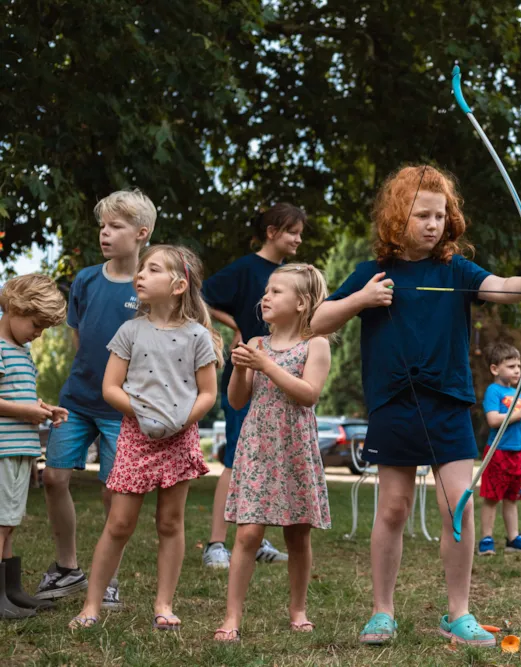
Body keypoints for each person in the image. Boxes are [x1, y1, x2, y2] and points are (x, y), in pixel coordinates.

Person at [310, 164, 521, 647]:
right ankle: (382, 612)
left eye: (440, 215)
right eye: (422, 214)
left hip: (447, 403)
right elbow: (317, 320)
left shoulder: (457, 270)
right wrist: (362, 298)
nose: (432, 224)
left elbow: (500, 287)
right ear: (397, 217)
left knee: (459, 507)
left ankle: (458, 614)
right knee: (394, 509)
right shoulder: (372, 274)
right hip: (394, 404)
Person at [68, 246, 221, 629]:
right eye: (141, 269)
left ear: (178, 284)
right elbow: (111, 387)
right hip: (137, 437)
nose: (140, 275)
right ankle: (91, 605)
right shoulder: (130, 331)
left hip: (180, 438)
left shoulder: (198, 336)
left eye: (152, 269)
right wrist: (145, 414)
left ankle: (164, 605)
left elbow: (207, 393)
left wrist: (181, 421)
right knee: (119, 523)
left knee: (171, 522)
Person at [38, 189, 154, 608]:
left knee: (113, 493)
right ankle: (68, 569)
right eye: (103, 226)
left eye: (116, 227)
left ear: (141, 234)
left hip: (121, 410)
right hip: (76, 400)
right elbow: (79, 335)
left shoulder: (149, 287)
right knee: (53, 478)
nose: (105, 234)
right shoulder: (85, 279)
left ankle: (108, 579)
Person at [214, 265, 332, 641]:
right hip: (258, 448)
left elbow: (308, 393)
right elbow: (236, 402)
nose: (266, 296)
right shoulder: (256, 343)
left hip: (295, 446)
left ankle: (298, 609)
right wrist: (239, 369)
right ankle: (232, 617)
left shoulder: (317, 344)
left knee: (297, 535)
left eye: (277, 291)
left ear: (301, 303)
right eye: (266, 290)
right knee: (247, 534)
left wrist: (265, 365)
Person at [201, 204, 306, 569]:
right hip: (247, 372)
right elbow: (202, 296)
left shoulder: (288, 276)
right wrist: (236, 327)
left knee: (267, 460)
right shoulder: (246, 268)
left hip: (278, 376)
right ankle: (215, 544)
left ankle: (255, 540)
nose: (298, 239)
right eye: (293, 231)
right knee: (235, 457)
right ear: (272, 231)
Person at [0, 275, 69, 619]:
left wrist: (41, 409)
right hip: (2, 450)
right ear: (14, 308)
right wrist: (24, 410)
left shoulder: (21, 351)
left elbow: (18, 395)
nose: (38, 333)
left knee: (8, 522)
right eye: (36, 324)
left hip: (18, 450)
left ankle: (10, 590)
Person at [476, 343, 521, 557]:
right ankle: (486, 538)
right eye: (511, 366)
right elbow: (493, 420)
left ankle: (513, 538)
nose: (517, 370)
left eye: (519, 366)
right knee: (492, 497)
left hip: (517, 452)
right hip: (498, 452)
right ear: (495, 369)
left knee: (512, 498)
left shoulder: (518, 394)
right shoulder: (493, 391)